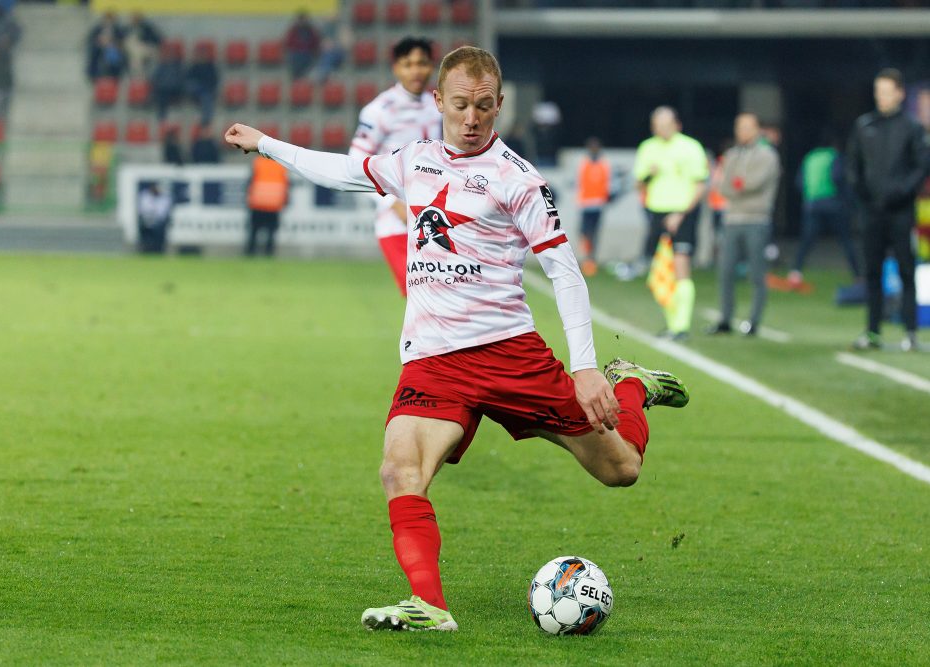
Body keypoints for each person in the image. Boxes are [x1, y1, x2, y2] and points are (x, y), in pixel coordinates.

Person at [225, 45, 690, 632]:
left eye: (485, 107)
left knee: (620, 469)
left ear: (499, 106)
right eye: (462, 105)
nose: (472, 119)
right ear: (439, 101)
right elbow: (346, 172)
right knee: (399, 471)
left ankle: (631, 388)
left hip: (509, 355)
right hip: (434, 361)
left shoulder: (519, 180)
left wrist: (588, 365)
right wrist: (267, 144)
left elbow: (564, 271)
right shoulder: (412, 160)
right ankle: (430, 606)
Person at [348, 36, 441, 295]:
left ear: (432, 67)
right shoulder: (380, 110)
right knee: (422, 296)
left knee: (443, 299)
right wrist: (391, 203)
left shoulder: (439, 106)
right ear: (396, 68)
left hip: (434, 216)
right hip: (396, 221)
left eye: (422, 63)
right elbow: (357, 164)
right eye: (407, 64)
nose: (415, 70)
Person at [846, 68, 929, 352]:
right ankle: (872, 331)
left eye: (886, 91)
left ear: (899, 93)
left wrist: (901, 192)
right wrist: (863, 194)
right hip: (871, 212)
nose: (881, 97)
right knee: (872, 272)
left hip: (902, 212)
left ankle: (910, 333)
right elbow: (852, 167)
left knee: (907, 270)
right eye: (877, 91)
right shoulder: (864, 125)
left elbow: (921, 167)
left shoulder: (912, 128)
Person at [633, 106, 709, 341]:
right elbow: (639, 182)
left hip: (682, 214)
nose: (661, 129)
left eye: (665, 124)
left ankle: (681, 326)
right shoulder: (648, 148)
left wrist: (681, 213)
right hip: (657, 213)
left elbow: (699, 184)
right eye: (657, 124)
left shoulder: (690, 147)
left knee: (681, 265)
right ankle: (671, 323)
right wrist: (649, 176)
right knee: (659, 272)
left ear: (677, 124)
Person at [707, 112, 781, 336]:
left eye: (748, 127)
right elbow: (724, 186)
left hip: (756, 219)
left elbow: (754, 184)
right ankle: (725, 319)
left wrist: (737, 185)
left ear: (757, 129)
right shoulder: (731, 155)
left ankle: (754, 321)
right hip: (732, 220)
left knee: (757, 274)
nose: (743, 132)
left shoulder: (768, 155)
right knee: (725, 271)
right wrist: (738, 185)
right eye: (740, 127)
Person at [788, 131, 861, 287]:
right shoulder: (834, 156)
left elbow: (799, 182)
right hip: (832, 204)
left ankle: (795, 272)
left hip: (812, 204)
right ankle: (858, 275)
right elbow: (838, 177)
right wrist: (848, 200)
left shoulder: (810, 157)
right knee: (846, 240)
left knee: (807, 240)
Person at [576, 137, 612, 277]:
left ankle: (591, 259)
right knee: (584, 232)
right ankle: (587, 256)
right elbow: (581, 182)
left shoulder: (604, 164)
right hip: (586, 204)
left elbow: (607, 184)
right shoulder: (584, 163)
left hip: (598, 204)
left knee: (594, 232)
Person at [245, 156, 289, 257]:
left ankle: (250, 252)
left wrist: (248, 196)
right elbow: (285, 183)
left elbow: (251, 181)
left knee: (254, 230)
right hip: (274, 203)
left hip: (258, 202)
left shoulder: (258, 162)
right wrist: (285, 200)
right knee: (271, 231)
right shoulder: (281, 164)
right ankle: (268, 253)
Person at [186, 42, 218, 126]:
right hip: (195, 90)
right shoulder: (194, 66)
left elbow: (214, 80)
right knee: (191, 86)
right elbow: (188, 78)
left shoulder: (210, 67)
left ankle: (206, 120)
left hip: (206, 91)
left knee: (206, 97)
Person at [284, 10, 320, 80]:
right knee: (296, 57)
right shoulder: (293, 30)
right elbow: (288, 43)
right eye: (302, 19)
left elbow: (316, 43)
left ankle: (304, 77)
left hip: (309, 54)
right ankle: (297, 78)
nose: (303, 21)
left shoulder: (311, 30)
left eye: (305, 19)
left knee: (307, 58)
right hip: (296, 53)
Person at [137, 183, 172, 254]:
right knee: (144, 228)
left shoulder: (164, 197)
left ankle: (158, 250)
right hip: (146, 220)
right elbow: (144, 209)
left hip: (159, 222)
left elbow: (162, 212)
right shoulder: (145, 196)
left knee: (160, 229)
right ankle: (146, 249)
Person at [151, 46, 185, 120]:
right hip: (163, 88)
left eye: (171, 55)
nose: (169, 56)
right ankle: (162, 119)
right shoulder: (161, 66)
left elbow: (181, 79)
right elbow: (154, 77)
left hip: (174, 89)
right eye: (168, 54)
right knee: (160, 95)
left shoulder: (178, 66)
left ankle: (165, 118)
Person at [123, 12, 162, 77]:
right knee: (135, 56)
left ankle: (142, 77)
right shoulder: (127, 28)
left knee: (137, 56)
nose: (134, 19)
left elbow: (158, 39)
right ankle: (138, 77)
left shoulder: (147, 27)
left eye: (136, 17)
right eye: (133, 17)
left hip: (146, 48)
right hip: (131, 50)